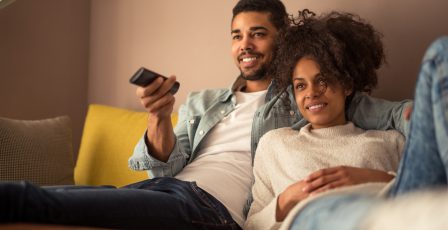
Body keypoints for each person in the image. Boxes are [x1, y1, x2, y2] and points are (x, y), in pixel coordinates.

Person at [0, 1, 410, 229]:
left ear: (282, 38)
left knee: (31, 199)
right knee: (55, 199)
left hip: (210, 210)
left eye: (258, 33)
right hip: (167, 194)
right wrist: (158, 118)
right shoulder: (203, 102)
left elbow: (398, 118)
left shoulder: (306, 95)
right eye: (236, 35)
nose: (244, 44)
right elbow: (162, 169)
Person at [245, 10, 410, 229]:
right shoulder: (274, 144)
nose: (311, 93)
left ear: (347, 85)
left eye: (322, 80)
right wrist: (284, 201)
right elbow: (251, 225)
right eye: (300, 85)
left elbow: (423, 197)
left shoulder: (390, 141)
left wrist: (372, 178)